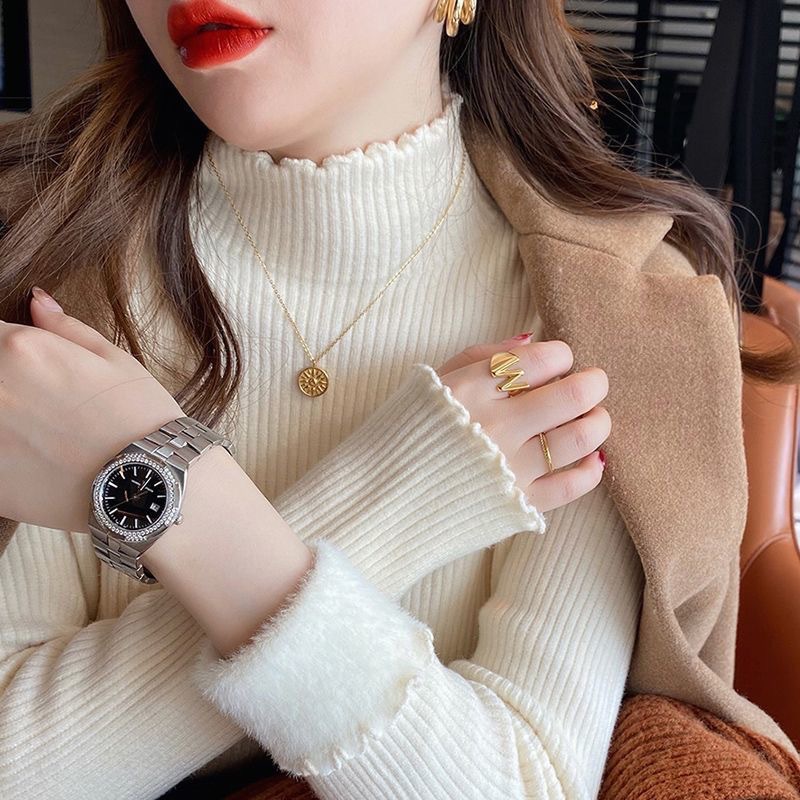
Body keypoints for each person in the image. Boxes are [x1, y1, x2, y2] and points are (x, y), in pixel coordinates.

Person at [0, 2, 798, 799]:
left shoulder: (605, 307)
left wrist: (166, 492)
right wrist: (413, 492)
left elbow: (526, 785)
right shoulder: (40, 257)